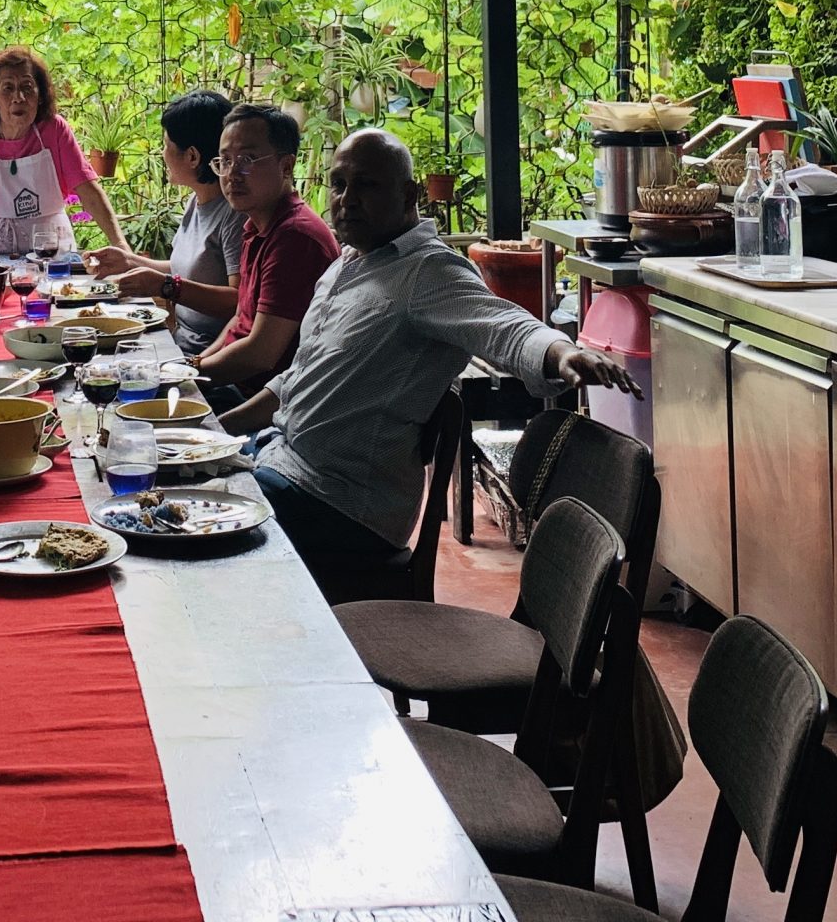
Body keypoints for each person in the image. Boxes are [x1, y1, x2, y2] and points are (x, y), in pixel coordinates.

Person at [221, 128, 639, 605]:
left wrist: (561, 352)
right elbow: (296, 380)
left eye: (367, 186)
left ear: (410, 195)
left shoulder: (428, 271)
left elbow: (503, 324)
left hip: (341, 505)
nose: (346, 199)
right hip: (283, 463)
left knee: (195, 523)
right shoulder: (348, 264)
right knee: (181, 483)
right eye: (338, 185)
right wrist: (215, 431)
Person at [184, 103, 335, 397]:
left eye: (248, 159)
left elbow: (260, 354)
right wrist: (193, 366)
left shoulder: (295, 237)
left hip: (266, 401)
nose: (231, 174)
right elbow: (240, 318)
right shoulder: (257, 225)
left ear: (286, 166)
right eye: (225, 161)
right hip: (234, 384)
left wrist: (185, 377)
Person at [0, 45, 131, 258]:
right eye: (7, 88)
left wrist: (121, 246)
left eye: (27, 87)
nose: (19, 97)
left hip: (51, 255)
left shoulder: (55, 130)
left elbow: (88, 190)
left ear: (40, 96)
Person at [85, 90, 241, 359]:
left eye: (167, 144)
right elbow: (189, 270)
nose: (161, 153)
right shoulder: (198, 200)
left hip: (207, 355)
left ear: (192, 157)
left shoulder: (234, 215)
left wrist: (166, 286)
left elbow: (240, 302)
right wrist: (130, 261)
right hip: (179, 341)